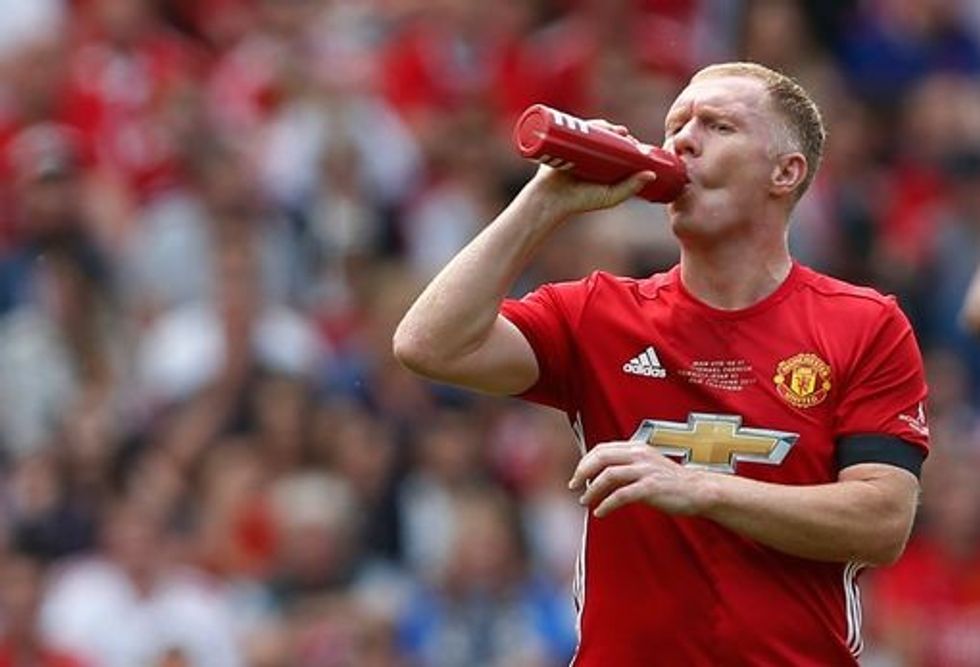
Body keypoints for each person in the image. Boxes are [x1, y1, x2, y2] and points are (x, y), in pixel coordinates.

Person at [393, 61, 930, 666]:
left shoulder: (865, 322)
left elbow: (882, 522)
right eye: (676, 125)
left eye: (718, 126)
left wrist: (700, 487)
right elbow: (430, 344)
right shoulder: (599, 312)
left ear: (786, 172)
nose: (682, 140)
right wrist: (544, 199)